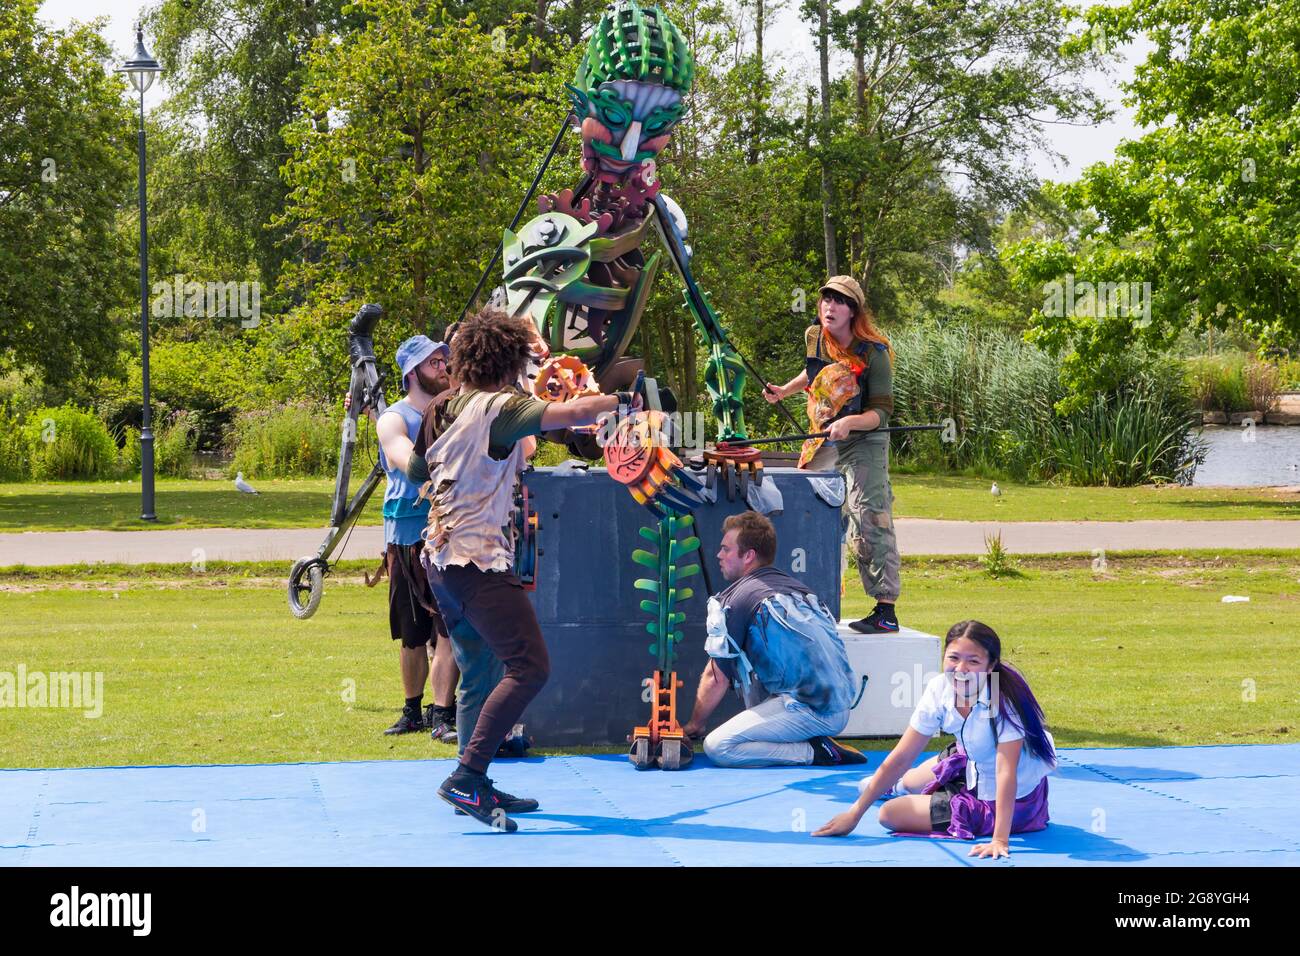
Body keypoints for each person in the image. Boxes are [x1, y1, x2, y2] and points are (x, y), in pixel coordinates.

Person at [415, 307, 643, 831]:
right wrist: (623, 399)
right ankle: (466, 778)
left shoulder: (452, 406)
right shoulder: (499, 407)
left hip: (442, 562)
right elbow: (564, 415)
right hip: (475, 563)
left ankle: (476, 779)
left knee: (482, 673)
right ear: (508, 360)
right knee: (530, 667)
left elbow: (415, 465)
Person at [812, 620, 1056, 858]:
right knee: (910, 779)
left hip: (1010, 799)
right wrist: (854, 812)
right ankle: (896, 787)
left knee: (889, 814)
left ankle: (922, 795)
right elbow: (902, 755)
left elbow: (1005, 772)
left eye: (973, 661)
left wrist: (999, 840)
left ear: (991, 666)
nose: (960, 669)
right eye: (953, 658)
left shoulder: (1002, 701)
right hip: (973, 760)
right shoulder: (940, 687)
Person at [764, 275, 902, 635]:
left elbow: (881, 413)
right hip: (823, 437)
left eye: (839, 301)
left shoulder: (875, 353)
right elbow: (813, 375)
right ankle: (809, 595)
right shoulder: (817, 339)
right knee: (805, 507)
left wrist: (852, 422)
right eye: (826, 299)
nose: (830, 306)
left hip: (865, 440)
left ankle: (885, 609)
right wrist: (783, 390)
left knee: (868, 515)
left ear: (853, 311)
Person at [680, 511, 867, 768]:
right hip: (837, 706)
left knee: (718, 746)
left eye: (726, 549)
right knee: (748, 660)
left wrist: (695, 725)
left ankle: (816, 752)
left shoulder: (738, 599)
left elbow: (716, 677)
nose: (719, 555)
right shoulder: (798, 589)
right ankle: (813, 740)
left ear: (749, 556)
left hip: (812, 710)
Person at [366, 335, 462, 738]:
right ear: (412, 373)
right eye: (434, 362)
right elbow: (408, 463)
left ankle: (443, 713)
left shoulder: (458, 411)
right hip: (407, 533)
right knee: (411, 632)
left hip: (449, 531)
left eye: (445, 360)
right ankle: (411, 711)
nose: (443, 366)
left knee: (448, 626)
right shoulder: (394, 418)